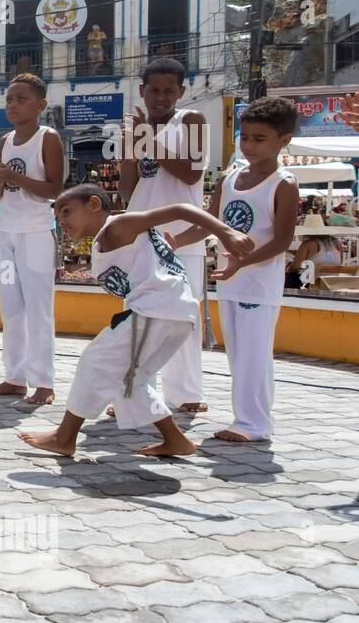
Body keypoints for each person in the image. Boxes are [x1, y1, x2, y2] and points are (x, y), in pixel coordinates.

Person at [17, 185, 252, 458]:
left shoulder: (119, 225)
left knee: (96, 360)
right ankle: (175, 440)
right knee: (129, 381)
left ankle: (64, 436)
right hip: (170, 313)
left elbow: (181, 209)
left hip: (157, 310)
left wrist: (226, 231)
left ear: (94, 204)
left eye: (67, 212)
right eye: (59, 217)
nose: (63, 222)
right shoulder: (108, 239)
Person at [171, 97, 300, 443]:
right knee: (238, 354)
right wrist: (175, 241)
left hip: (259, 283)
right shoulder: (230, 179)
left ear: (282, 141)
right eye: (245, 137)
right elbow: (210, 224)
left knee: (255, 356)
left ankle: (255, 423)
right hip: (228, 281)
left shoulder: (283, 183)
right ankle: (246, 418)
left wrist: (243, 262)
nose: (250, 146)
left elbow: (282, 240)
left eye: (260, 139)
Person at [117, 57, 210, 415]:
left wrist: (147, 138)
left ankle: (185, 393)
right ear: (141, 91)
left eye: (168, 90)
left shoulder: (192, 121)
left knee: (183, 318)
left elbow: (191, 172)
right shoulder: (135, 129)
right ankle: (135, 392)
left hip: (182, 236)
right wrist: (130, 150)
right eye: (153, 90)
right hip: (143, 235)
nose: (160, 97)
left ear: (181, 92)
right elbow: (127, 191)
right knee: (140, 315)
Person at [0, 73, 65, 406]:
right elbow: (3, 194)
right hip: (7, 234)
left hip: (35, 234)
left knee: (38, 307)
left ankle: (43, 381)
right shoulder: (5, 141)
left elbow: (55, 189)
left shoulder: (48, 138)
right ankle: (15, 377)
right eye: (9, 100)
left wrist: (13, 175)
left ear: (40, 105)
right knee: (10, 306)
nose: (12, 105)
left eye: (21, 99)